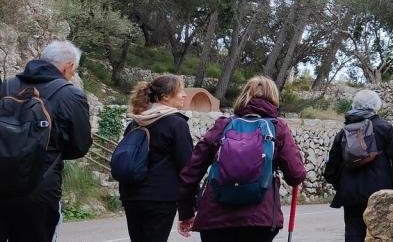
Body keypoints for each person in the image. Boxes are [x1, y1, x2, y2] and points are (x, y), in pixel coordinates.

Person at [177, 76, 305, 242]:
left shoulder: (222, 125)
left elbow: (190, 172)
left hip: (215, 219)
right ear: (274, 97)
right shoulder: (277, 127)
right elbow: (296, 175)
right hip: (260, 220)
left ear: (243, 95)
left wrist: (186, 212)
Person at [0, 40, 92, 242]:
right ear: (68, 66)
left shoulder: (6, 86)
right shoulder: (70, 94)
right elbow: (80, 146)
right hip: (40, 187)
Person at [323, 89, 393, 242]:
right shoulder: (385, 128)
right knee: (379, 235)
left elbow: (330, 170)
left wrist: (343, 185)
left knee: (353, 234)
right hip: (380, 195)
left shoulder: (344, 132)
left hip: (351, 196)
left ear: (354, 105)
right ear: (376, 106)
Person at [118, 75, 193, 242]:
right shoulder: (176, 124)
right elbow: (188, 168)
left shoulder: (136, 122)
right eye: (180, 91)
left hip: (131, 195)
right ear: (165, 96)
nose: (184, 95)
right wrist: (187, 210)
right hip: (160, 198)